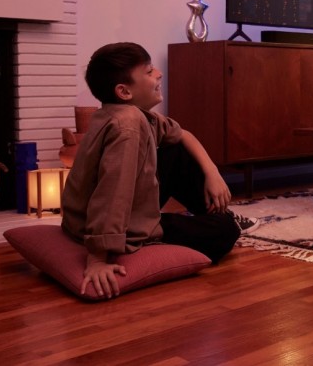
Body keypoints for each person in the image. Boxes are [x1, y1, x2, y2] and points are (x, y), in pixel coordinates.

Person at [61, 42, 250, 299]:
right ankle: (211, 223)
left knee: (175, 151)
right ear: (124, 91)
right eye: (149, 72)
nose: (159, 73)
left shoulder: (125, 113)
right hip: (105, 226)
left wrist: (213, 174)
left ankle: (218, 211)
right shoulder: (128, 126)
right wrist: (97, 259)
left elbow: (183, 135)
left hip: (97, 215)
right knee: (225, 231)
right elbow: (113, 192)